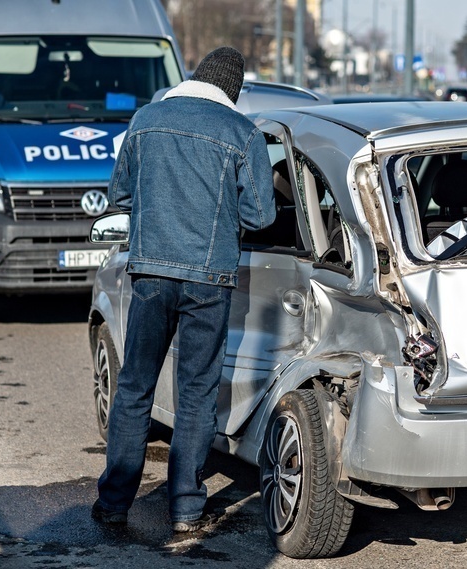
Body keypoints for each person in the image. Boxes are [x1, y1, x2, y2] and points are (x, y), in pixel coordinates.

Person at [92, 47, 276, 533]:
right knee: (197, 394)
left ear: (195, 78)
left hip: (150, 274)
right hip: (209, 280)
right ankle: (188, 510)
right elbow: (261, 215)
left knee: (134, 388)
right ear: (232, 91)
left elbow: (121, 195)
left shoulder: (146, 120)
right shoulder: (243, 133)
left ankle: (113, 505)